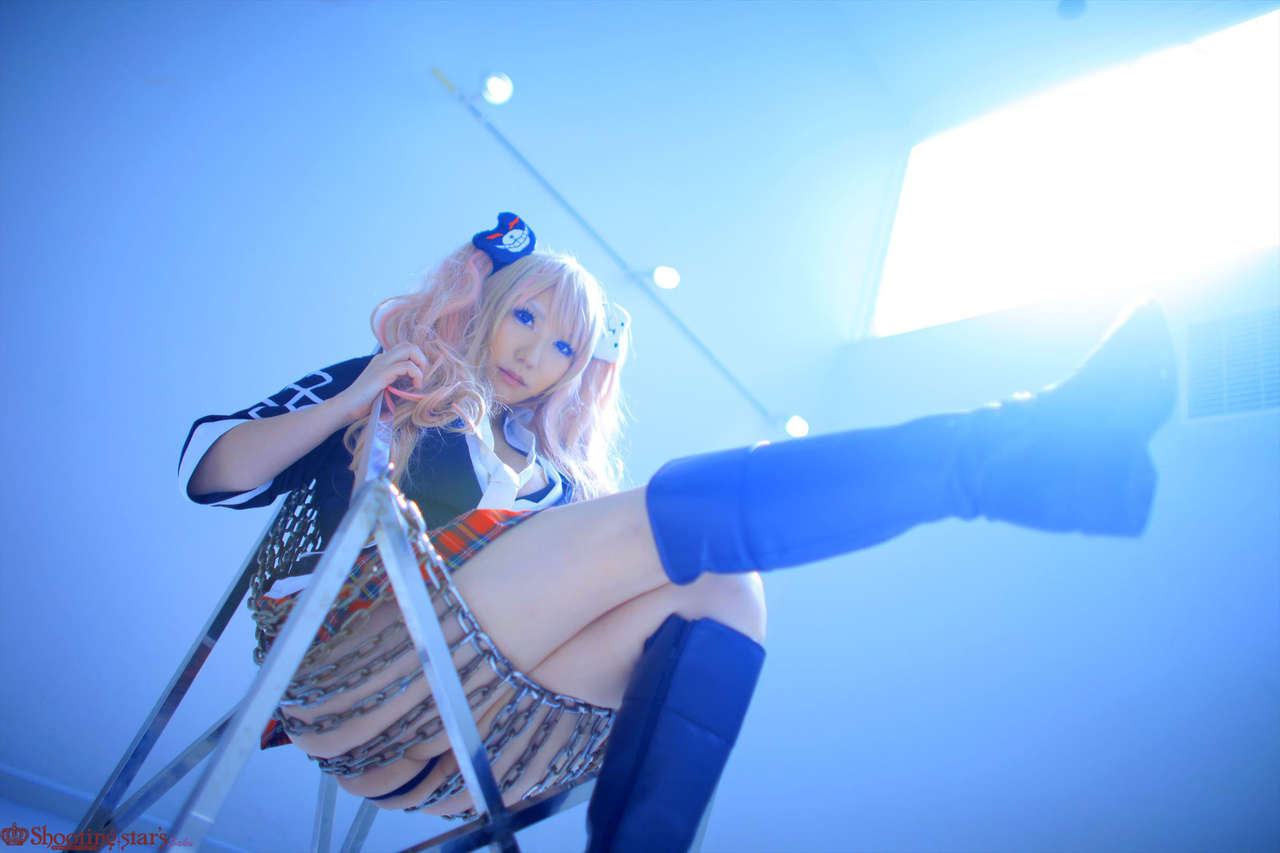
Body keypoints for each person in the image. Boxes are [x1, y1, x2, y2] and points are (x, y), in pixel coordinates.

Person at [180, 212, 1178, 852]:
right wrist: (357, 397)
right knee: (676, 516)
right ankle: (1009, 453)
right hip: (357, 676)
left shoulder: (548, 481)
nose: (537, 353)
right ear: (487, 307)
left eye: (564, 346)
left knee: (726, 592)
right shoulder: (403, 389)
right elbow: (213, 471)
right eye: (526, 318)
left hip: (470, 738)